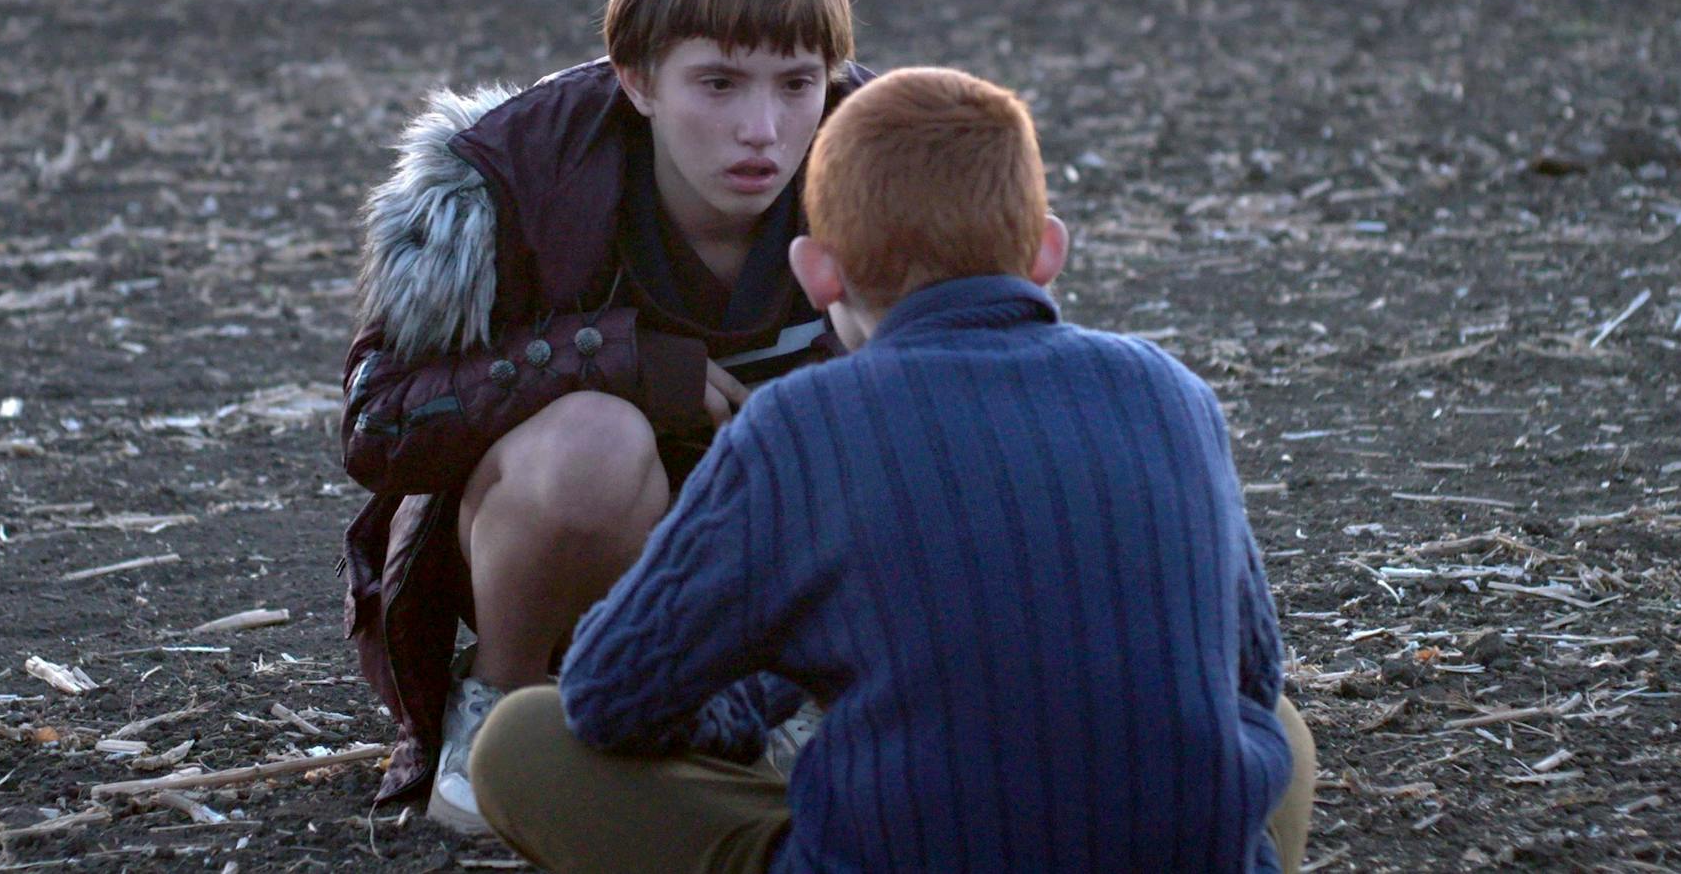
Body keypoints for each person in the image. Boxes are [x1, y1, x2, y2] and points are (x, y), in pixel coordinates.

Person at [468, 67, 1318, 873]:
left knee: (519, 743)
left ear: (816, 270)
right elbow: (1251, 673)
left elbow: (611, 691)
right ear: (1047, 252)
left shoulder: (800, 425)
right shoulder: (1173, 394)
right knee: (1281, 727)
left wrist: (762, 695)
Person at [337, 0, 870, 828]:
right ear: (637, 78)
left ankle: (798, 706)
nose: (764, 129)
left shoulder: (885, 163)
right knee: (595, 440)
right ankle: (503, 711)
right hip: (563, 554)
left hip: (780, 575)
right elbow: (379, 425)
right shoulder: (512, 173)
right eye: (717, 83)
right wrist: (608, 357)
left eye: (797, 82)